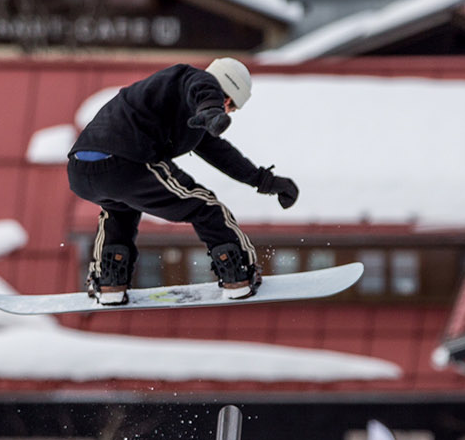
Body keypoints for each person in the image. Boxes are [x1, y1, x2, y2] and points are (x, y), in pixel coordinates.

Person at [67, 58, 300, 306]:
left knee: (119, 211)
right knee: (206, 208)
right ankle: (239, 276)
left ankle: (109, 284)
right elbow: (203, 85)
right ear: (227, 98)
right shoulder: (192, 78)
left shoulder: (188, 112)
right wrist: (212, 107)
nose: (228, 113)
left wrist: (266, 181)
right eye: (231, 108)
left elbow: (222, 154)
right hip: (128, 161)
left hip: (82, 170)